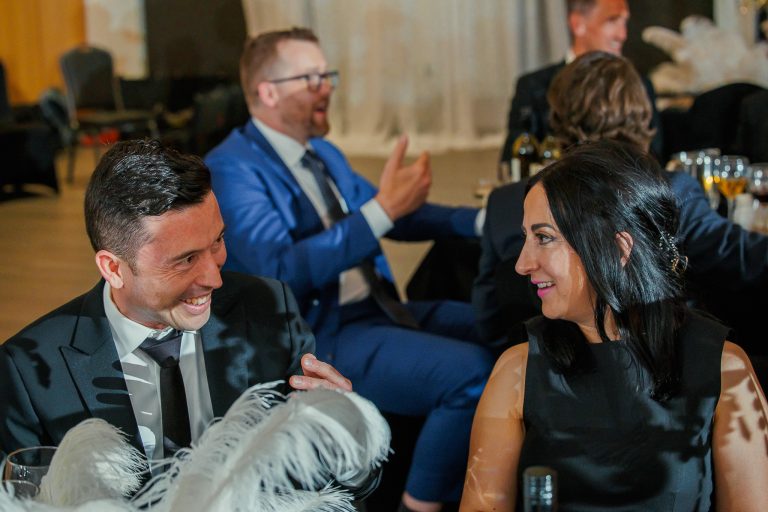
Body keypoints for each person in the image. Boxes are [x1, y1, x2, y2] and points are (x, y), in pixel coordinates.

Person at [204, 27, 495, 512]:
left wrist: (489, 220)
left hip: (378, 312)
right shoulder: (232, 168)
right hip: (321, 334)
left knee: (504, 329)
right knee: (473, 375)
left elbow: (396, 213)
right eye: (311, 78)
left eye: (328, 75)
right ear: (268, 92)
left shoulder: (322, 154)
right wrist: (383, 209)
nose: (327, 87)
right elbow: (279, 270)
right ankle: (417, 506)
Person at [0, 140, 352, 467]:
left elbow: (337, 481)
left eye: (217, 241)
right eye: (186, 260)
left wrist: (346, 436)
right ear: (113, 268)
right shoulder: (24, 376)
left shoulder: (271, 309)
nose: (214, 278)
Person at [460, 140, 768, 511]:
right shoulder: (518, 373)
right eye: (527, 237)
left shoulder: (723, 371)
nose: (522, 264)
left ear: (618, 248)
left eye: (543, 238)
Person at [473, 52, 768, 376]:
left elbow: (489, 323)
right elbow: (743, 256)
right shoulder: (666, 190)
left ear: (557, 117)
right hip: (656, 375)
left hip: (534, 374)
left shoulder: (504, 201)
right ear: (642, 115)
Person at [499, 0, 663, 163]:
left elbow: (654, 160)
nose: (622, 34)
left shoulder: (641, 85)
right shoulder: (532, 86)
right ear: (578, 24)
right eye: (612, 21)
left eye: (624, 22)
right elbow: (514, 162)